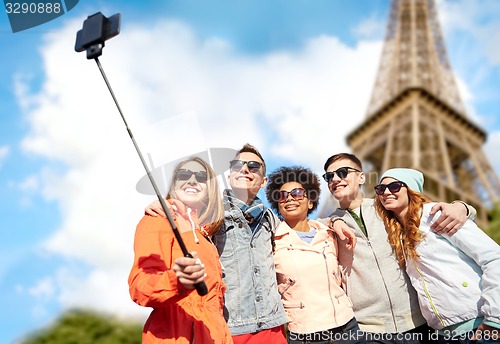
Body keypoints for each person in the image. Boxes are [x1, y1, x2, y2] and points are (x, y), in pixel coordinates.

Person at [322, 153, 477, 343]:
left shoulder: (388, 207)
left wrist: (463, 207)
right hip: (368, 329)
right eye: (329, 177)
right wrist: (334, 219)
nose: (335, 179)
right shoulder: (325, 226)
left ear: (362, 177)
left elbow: (427, 212)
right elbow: (303, 228)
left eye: (342, 172)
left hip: (417, 323)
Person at [146, 144, 288, 343]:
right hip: (231, 329)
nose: (245, 169)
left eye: (253, 166)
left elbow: (302, 229)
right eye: (238, 165)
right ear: (229, 176)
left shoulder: (271, 219)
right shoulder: (211, 212)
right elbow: (185, 209)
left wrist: (335, 220)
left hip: (273, 327)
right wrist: (167, 203)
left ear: (264, 181)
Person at [374, 168, 500, 343]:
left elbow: (493, 258)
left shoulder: (436, 215)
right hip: (442, 334)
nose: (386, 192)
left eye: (394, 186)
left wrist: (495, 318)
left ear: (411, 190)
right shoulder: (397, 233)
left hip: (478, 325)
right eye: (380, 188)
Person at [128, 156, 232, 343]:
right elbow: (140, 287)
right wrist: (178, 281)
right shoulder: (158, 219)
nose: (192, 180)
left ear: (210, 190)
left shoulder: (206, 237)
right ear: (174, 185)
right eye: (184, 175)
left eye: (201, 177)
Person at [266, 166, 365, 344]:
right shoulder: (271, 241)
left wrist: (335, 220)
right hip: (305, 333)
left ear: (310, 202)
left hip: (346, 327)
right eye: (282, 195)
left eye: (296, 193)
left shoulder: (329, 233)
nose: (289, 198)